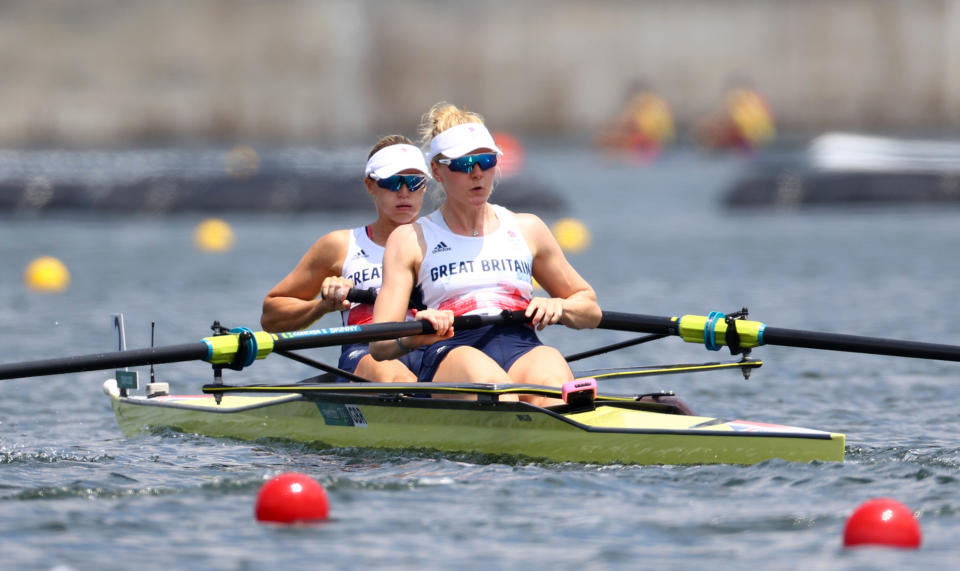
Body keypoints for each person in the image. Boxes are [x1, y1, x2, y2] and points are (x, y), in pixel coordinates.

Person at [370, 103, 602, 405]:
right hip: (451, 350)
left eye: (486, 160)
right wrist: (414, 335)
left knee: (554, 380)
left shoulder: (528, 228)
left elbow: (591, 311)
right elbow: (379, 343)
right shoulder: (411, 238)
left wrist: (561, 306)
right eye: (464, 165)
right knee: (497, 390)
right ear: (437, 171)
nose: (478, 173)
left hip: (521, 344)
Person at [260, 135, 430, 382]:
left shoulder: (445, 240)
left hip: (432, 347)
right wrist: (322, 306)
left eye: (414, 182)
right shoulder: (340, 245)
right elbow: (271, 315)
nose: (404, 192)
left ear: (425, 186)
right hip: (367, 353)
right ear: (370, 185)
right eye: (393, 182)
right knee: (396, 378)